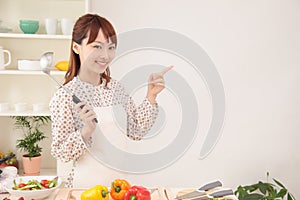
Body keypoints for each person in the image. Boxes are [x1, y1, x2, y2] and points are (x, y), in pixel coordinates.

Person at [49, 13, 172, 188]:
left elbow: (135, 132)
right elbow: (61, 152)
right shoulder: (64, 97)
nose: (105, 55)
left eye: (111, 47)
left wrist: (151, 96)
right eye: (97, 46)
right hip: (84, 189)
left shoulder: (116, 88)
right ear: (76, 47)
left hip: (120, 187)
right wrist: (86, 131)